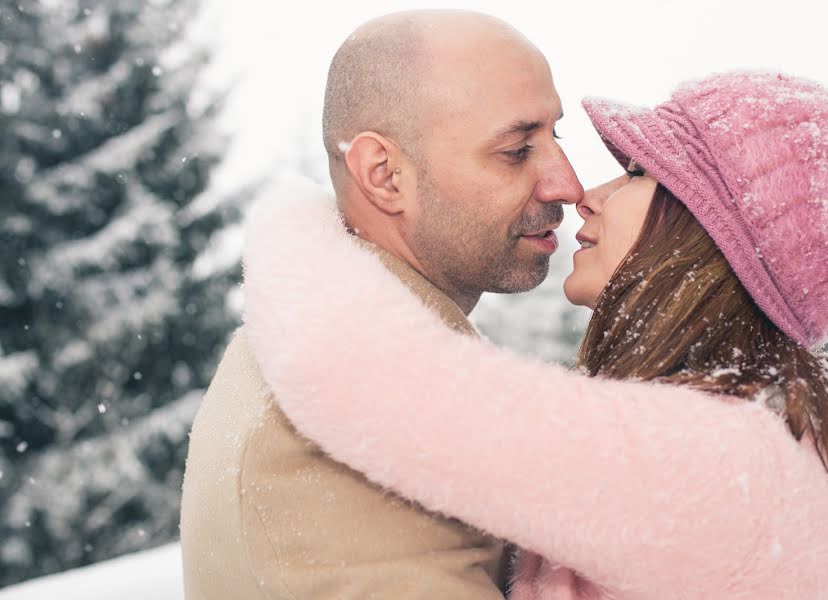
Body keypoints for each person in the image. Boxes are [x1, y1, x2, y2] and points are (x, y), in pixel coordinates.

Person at [241, 71, 828, 598]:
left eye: (642, 174)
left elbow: (364, 380)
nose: (588, 192)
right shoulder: (760, 447)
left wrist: (290, 215)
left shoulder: (715, 464)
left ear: (717, 242)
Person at [178, 9, 582, 599]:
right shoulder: (332, 428)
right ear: (385, 175)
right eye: (518, 150)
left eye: (556, 137)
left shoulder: (358, 370)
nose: (565, 183)